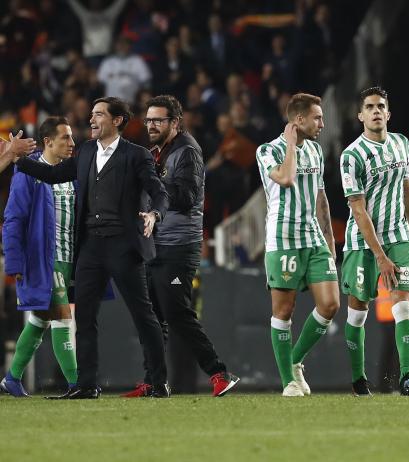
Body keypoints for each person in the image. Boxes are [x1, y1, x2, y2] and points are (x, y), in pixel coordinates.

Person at [14, 97, 170, 399]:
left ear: (117, 121)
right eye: (92, 114)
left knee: (142, 315)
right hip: (91, 248)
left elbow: (159, 192)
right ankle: (86, 385)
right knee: (84, 318)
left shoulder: (136, 155)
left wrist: (154, 214)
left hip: (125, 246)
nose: (92, 120)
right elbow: (52, 174)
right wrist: (17, 159)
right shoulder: (85, 152)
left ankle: (158, 381)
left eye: (99, 115)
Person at [122, 94, 239, 398]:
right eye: (148, 120)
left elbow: (186, 197)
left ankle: (219, 372)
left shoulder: (187, 152)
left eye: (158, 120)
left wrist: (152, 184)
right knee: (153, 317)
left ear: (175, 122)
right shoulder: (158, 152)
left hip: (179, 244)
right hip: (156, 242)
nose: (151, 125)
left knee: (176, 313)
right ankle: (155, 382)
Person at [256, 93, 339, 397]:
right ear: (298, 120)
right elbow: (287, 178)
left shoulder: (316, 151)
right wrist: (291, 145)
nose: (322, 123)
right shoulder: (267, 150)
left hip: (313, 237)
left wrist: (329, 240)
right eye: (317, 117)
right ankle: (288, 382)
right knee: (284, 310)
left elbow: (320, 198)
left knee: (330, 304)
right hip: (283, 239)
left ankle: (295, 362)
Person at [340, 86, 409, 396]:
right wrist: (381, 256)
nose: (375, 111)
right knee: (358, 310)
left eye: (380, 106)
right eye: (369, 106)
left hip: (397, 237)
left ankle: (407, 378)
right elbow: (358, 209)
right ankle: (359, 379)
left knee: (403, 305)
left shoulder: (401, 144)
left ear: (388, 113)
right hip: (362, 243)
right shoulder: (351, 156)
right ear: (360, 115)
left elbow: (408, 189)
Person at [0, 117, 77, 397]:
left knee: (40, 321)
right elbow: (13, 219)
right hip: (46, 259)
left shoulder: (72, 172)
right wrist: (16, 261)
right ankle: (75, 384)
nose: (72, 143)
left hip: (70, 259)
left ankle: (12, 377)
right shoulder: (29, 172)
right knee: (62, 319)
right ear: (48, 142)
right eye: (65, 138)